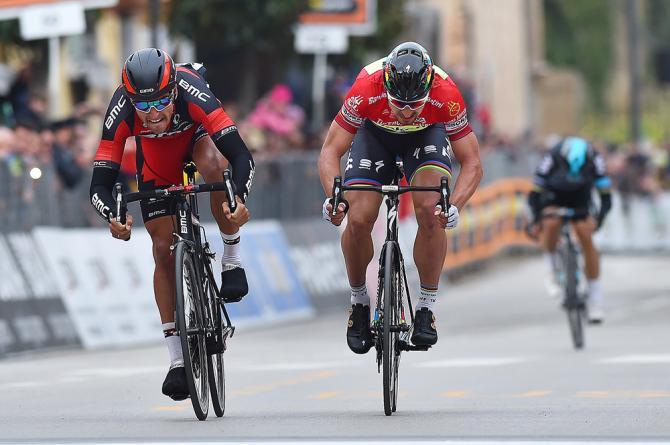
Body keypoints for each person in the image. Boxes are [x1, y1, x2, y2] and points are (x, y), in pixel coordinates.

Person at [89, 48, 255, 400]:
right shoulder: (121, 109)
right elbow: (99, 185)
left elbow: (241, 156)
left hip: (195, 138)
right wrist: (113, 216)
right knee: (163, 250)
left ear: (174, 90)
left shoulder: (194, 91)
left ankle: (231, 257)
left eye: (160, 103)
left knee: (212, 166)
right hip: (156, 159)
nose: (151, 114)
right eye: (142, 106)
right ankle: (177, 360)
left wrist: (238, 199)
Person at [317, 42, 483, 352]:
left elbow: (472, 162)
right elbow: (330, 150)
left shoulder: (446, 93)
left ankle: (426, 309)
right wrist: (335, 197)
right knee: (357, 218)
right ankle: (359, 303)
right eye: (399, 104)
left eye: (415, 104)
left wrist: (455, 207)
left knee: (432, 210)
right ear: (387, 86)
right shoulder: (366, 86)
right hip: (374, 137)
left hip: (426, 137)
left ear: (428, 89)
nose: (406, 112)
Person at [527, 136, 612, 323]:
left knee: (586, 235)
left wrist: (598, 221)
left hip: (581, 199)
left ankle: (595, 299)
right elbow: (534, 194)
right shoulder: (552, 157)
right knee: (551, 223)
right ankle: (551, 269)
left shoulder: (595, 159)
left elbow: (606, 198)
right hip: (554, 197)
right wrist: (536, 219)